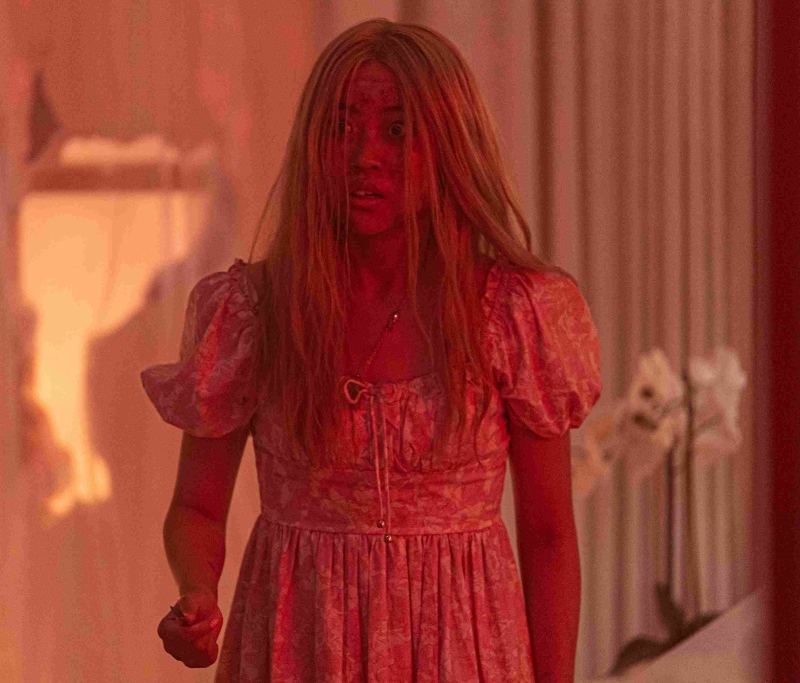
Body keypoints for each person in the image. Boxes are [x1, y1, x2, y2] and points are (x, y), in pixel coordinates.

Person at [141, 17, 601, 683]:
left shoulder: (511, 312)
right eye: (342, 127)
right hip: (301, 647)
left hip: (465, 652)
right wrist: (196, 595)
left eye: (397, 129)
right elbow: (197, 507)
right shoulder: (256, 312)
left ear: (450, 144)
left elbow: (550, 533)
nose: (365, 155)